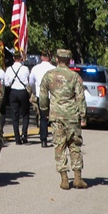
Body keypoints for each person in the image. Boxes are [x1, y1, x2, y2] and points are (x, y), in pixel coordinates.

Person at [38, 49, 87, 191]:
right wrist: (82, 116)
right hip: (72, 116)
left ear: (57, 59)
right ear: (70, 60)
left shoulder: (49, 76)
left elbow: (42, 96)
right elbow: (80, 98)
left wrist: (44, 110)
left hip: (56, 116)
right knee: (74, 145)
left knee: (59, 146)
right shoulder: (74, 76)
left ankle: (64, 179)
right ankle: (77, 177)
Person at [3, 49, 32, 144]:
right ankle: (24, 134)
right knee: (25, 114)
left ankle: (17, 138)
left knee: (14, 116)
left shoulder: (9, 69)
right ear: (21, 58)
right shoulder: (25, 69)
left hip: (13, 92)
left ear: (13, 58)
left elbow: (6, 83)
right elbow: (28, 81)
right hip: (23, 92)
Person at [30, 51, 56, 146]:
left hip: (40, 96)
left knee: (43, 117)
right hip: (52, 96)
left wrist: (34, 91)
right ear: (49, 57)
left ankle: (43, 140)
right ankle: (56, 137)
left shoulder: (35, 68)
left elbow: (31, 82)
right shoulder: (54, 69)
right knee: (54, 118)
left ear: (41, 57)